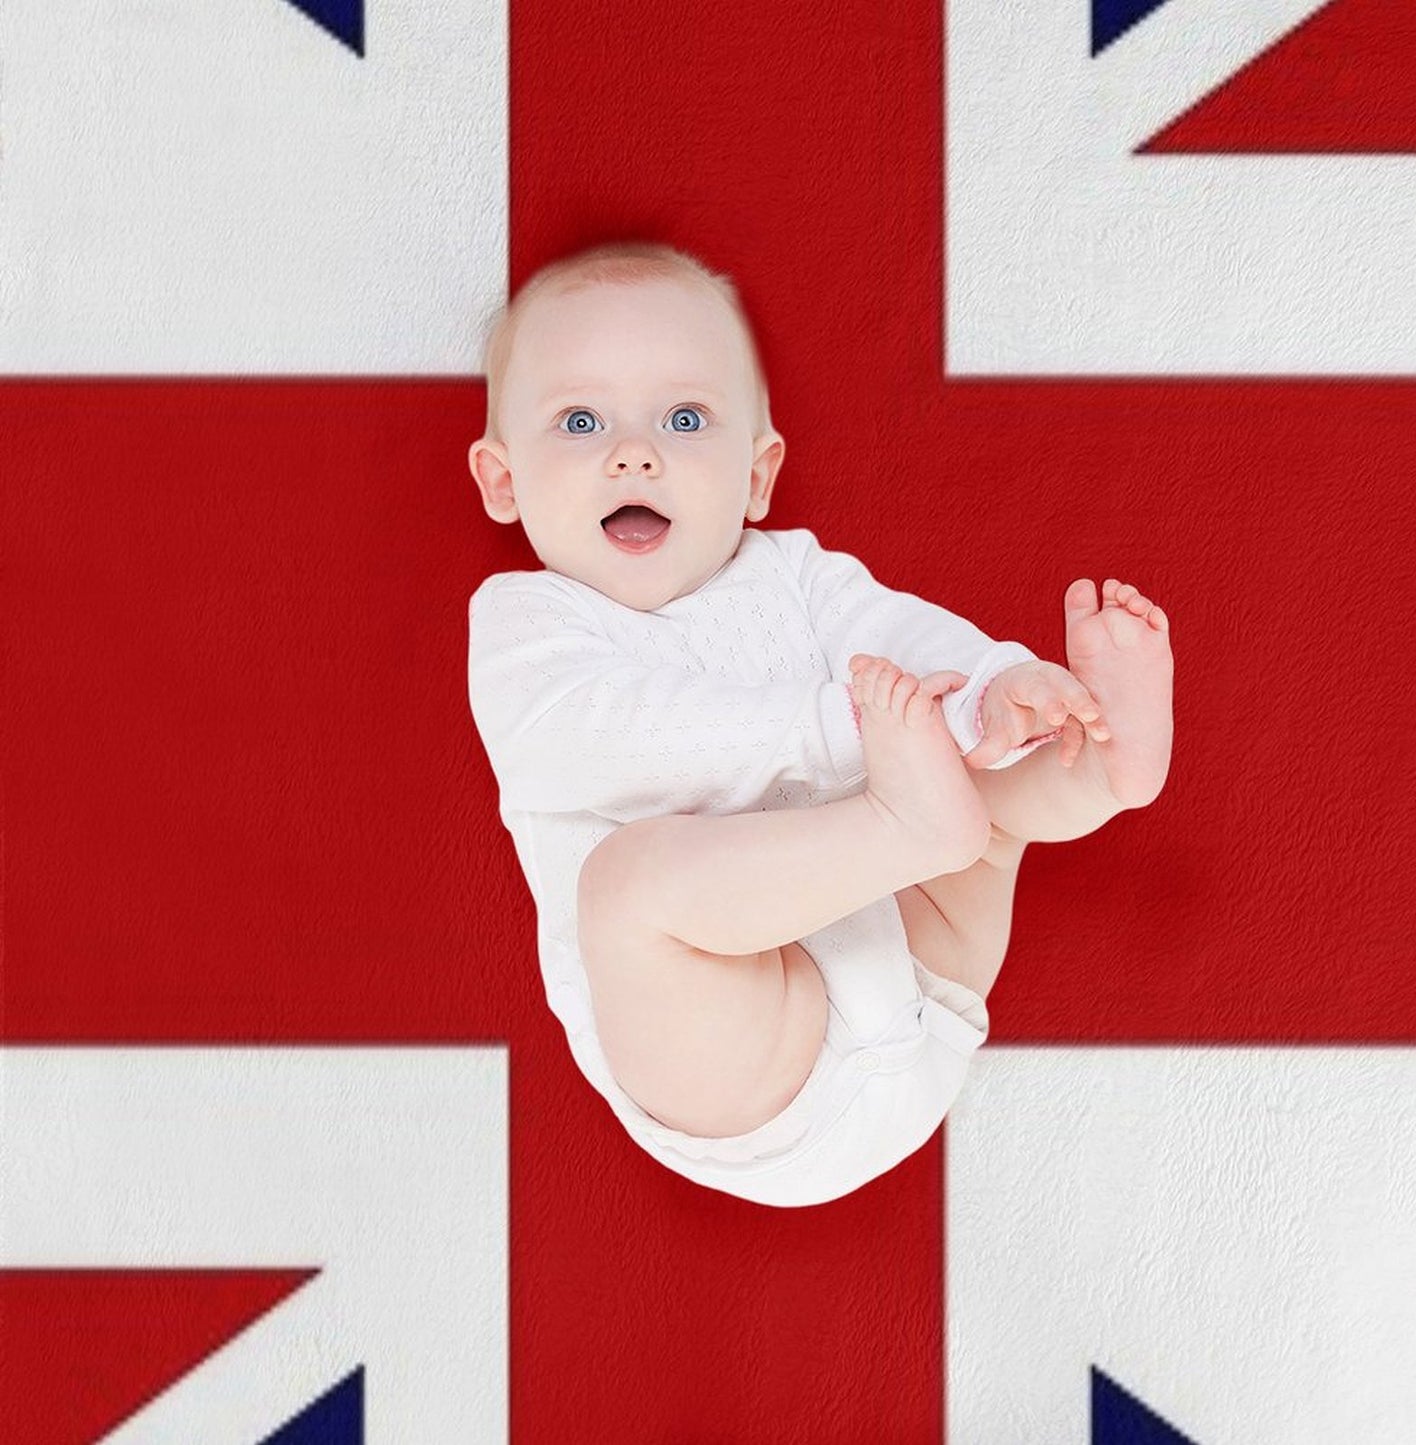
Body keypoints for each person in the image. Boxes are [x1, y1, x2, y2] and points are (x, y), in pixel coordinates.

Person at [465, 241, 1173, 1207]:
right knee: (627, 886)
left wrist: (993, 689)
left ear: (756, 476)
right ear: (503, 482)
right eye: (579, 420)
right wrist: (845, 729)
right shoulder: (529, 623)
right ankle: (915, 821)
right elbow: (605, 740)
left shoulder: (792, 572)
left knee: (983, 790)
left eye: (684, 417)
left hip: (923, 970)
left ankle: (1091, 767)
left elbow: (899, 634)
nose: (635, 453)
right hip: (751, 1067)